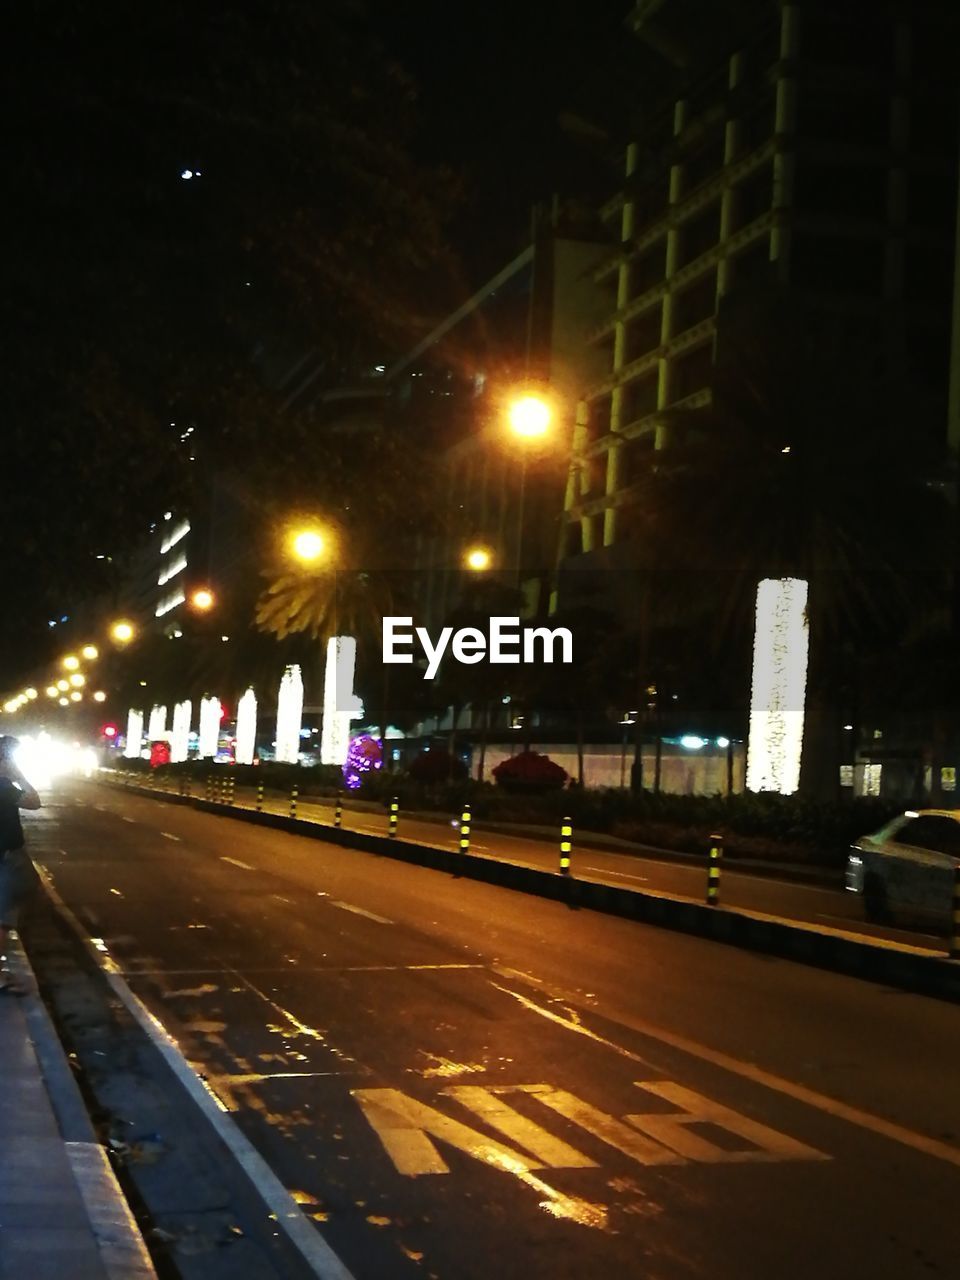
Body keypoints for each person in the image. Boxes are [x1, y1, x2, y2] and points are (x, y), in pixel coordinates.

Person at [0, 736, 41, 994]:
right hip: (5, 856)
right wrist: (19, 776)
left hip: (8, 855)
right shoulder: (3, 786)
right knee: (3, 916)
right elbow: (34, 801)